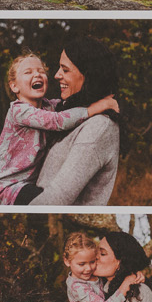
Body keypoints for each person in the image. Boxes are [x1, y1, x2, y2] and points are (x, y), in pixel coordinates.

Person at [0, 51, 118, 205]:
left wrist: (99, 97)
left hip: (29, 183)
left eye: (40, 71)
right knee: (45, 203)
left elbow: (70, 106)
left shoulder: (49, 105)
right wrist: (95, 108)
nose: (36, 75)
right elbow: (58, 121)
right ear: (14, 86)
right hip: (10, 187)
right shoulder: (18, 111)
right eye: (28, 72)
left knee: (44, 198)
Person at [27, 36, 122, 206]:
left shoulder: (99, 127)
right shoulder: (75, 118)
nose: (57, 75)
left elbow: (55, 200)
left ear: (88, 75)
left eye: (65, 69)